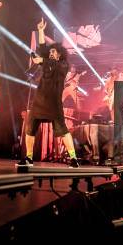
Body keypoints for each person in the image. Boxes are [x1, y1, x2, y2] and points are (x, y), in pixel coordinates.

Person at [19, 18, 80, 167]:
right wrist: (40, 31)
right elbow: (41, 47)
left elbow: (49, 62)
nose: (51, 53)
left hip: (53, 104)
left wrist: (42, 61)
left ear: (60, 54)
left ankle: (73, 159)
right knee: (30, 128)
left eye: (53, 52)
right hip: (39, 101)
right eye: (50, 52)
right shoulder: (47, 62)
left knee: (62, 130)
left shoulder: (63, 65)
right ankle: (29, 158)